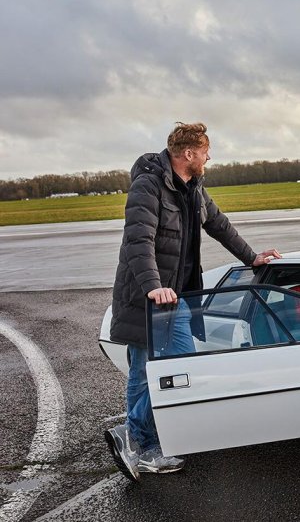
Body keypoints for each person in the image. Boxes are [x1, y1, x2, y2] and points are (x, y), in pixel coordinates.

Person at [104, 122, 282, 482]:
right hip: (150, 296)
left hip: (177, 295)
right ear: (189, 154)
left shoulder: (194, 188)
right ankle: (140, 439)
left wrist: (252, 258)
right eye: (205, 152)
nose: (209, 157)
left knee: (158, 372)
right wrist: (154, 287)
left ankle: (139, 439)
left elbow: (219, 224)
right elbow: (138, 241)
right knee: (163, 370)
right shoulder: (148, 186)